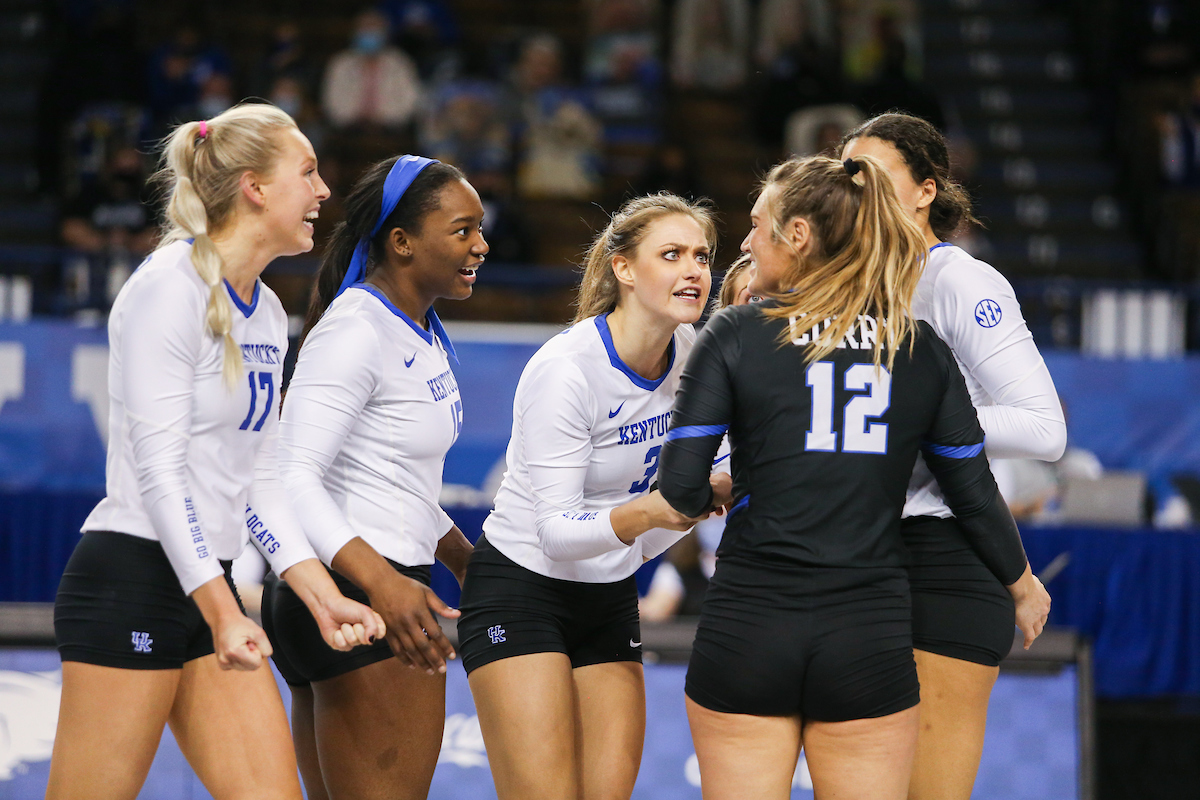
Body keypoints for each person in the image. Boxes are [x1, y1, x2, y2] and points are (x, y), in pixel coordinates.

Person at [656, 154, 1051, 800]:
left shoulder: (733, 333)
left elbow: (680, 492)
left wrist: (721, 489)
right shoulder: (920, 348)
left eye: (759, 226)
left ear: (800, 237)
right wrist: (1022, 583)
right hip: (865, 630)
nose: (748, 242)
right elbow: (972, 490)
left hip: (751, 619)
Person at [46, 103, 385, 800]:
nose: (324, 193)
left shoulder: (262, 308)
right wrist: (225, 612)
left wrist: (319, 594)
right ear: (256, 187)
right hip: (133, 578)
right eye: (309, 173)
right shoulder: (165, 288)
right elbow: (160, 476)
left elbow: (259, 478)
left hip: (208, 585)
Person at [456, 192, 729, 800]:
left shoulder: (696, 360)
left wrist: (688, 508)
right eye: (672, 254)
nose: (694, 270)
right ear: (623, 269)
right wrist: (665, 508)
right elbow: (558, 532)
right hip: (521, 591)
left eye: (702, 256)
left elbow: (694, 500)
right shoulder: (568, 369)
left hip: (607, 597)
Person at [841, 113, 1067, 800]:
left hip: (942, 554)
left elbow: (1043, 428)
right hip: (857, 556)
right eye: (846, 177)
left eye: (873, 176)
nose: (856, 191)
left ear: (925, 191)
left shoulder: (961, 281)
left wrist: (917, 423)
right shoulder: (850, 287)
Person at [262, 155, 487, 800]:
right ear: (402, 241)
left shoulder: (415, 326)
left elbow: (389, 477)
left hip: (350, 593)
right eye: (463, 229)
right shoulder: (357, 328)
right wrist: (382, 583)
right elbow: (292, 477)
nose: (480, 244)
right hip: (360, 595)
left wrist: (460, 555)